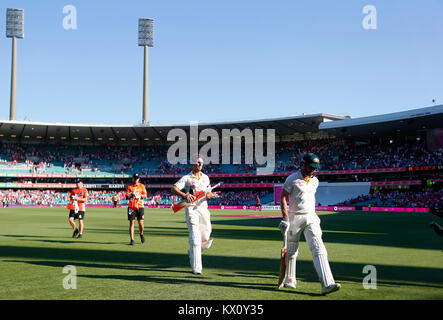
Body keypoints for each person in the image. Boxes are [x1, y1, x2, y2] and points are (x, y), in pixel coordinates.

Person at [279, 153, 341, 295]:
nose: (313, 171)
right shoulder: (292, 179)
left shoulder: (315, 181)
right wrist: (285, 218)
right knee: (291, 251)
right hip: (295, 217)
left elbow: (311, 197)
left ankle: (328, 283)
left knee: (318, 247)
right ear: (304, 164)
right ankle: (290, 280)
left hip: (311, 217)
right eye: (311, 167)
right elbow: (283, 197)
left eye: (315, 168)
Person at [171, 156, 220, 275]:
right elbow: (173, 188)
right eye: (197, 162)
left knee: (206, 238)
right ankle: (197, 268)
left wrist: (210, 195)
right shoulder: (187, 178)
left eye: (201, 163)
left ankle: (193, 251)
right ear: (193, 163)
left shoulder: (206, 178)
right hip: (191, 209)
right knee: (195, 238)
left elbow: (206, 193)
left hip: (203, 209)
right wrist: (185, 195)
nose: (200, 164)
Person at [125, 173, 147, 245]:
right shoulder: (129, 186)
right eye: (135, 178)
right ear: (133, 178)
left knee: (141, 223)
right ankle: (132, 240)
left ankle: (141, 234)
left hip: (140, 206)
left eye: (137, 178)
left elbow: (145, 196)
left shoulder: (142, 186)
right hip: (131, 206)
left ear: (139, 179)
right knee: (132, 223)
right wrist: (131, 195)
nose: (136, 179)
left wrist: (139, 195)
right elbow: (126, 197)